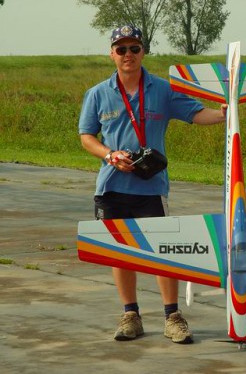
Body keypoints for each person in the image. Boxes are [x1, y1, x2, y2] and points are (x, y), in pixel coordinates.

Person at [78, 25, 226, 344]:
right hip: (111, 187)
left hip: (151, 187)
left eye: (134, 48)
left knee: (164, 251)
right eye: (121, 49)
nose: (128, 55)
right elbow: (86, 137)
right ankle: (131, 315)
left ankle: (172, 317)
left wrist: (225, 115)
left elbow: (196, 113)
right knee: (120, 253)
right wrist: (109, 154)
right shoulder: (97, 93)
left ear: (143, 52)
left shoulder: (162, 89)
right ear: (112, 53)